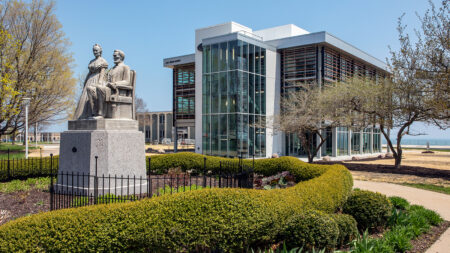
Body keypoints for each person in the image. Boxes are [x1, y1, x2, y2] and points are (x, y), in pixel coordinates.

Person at [73, 44, 108, 119]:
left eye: (96, 50)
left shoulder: (103, 61)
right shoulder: (91, 61)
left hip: (97, 78)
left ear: (100, 51)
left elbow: (102, 72)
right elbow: (89, 73)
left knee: (93, 94)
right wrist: (85, 81)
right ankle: (83, 116)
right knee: (84, 97)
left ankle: (93, 112)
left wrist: (100, 82)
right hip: (90, 79)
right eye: (94, 50)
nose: (95, 52)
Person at [95, 49, 131, 118]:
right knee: (90, 89)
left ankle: (101, 113)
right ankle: (94, 112)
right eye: (113, 56)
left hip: (117, 90)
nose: (114, 57)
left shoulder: (125, 67)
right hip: (108, 88)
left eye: (116, 56)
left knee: (99, 88)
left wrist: (115, 84)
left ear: (121, 57)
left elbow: (127, 81)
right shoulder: (112, 68)